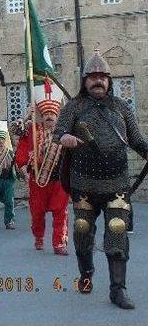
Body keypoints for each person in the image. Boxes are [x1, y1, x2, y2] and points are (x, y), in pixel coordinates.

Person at [55, 50, 148, 309]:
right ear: (85, 80)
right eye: (93, 77)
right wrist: (65, 138)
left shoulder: (122, 108)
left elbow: (137, 141)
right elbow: (58, 132)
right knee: (83, 232)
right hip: (83, 185)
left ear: (109, 80)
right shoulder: (73, 107)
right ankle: (86, 275)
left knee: (117, 231)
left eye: (102, 77)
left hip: (116, 186)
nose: (98, 81)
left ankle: (117, 290)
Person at [12, 80, 69, 255]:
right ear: (41, 116)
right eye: (46, 114)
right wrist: (26, 116)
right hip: (37, 180)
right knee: (37, 214)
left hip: (59, 179)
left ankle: (59, 244)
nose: (50, 117)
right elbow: (14, 131)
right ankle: (38, 236)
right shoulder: (32, 130)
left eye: (53, 114)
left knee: (61, 212)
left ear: (58, 115)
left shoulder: (65, 131)